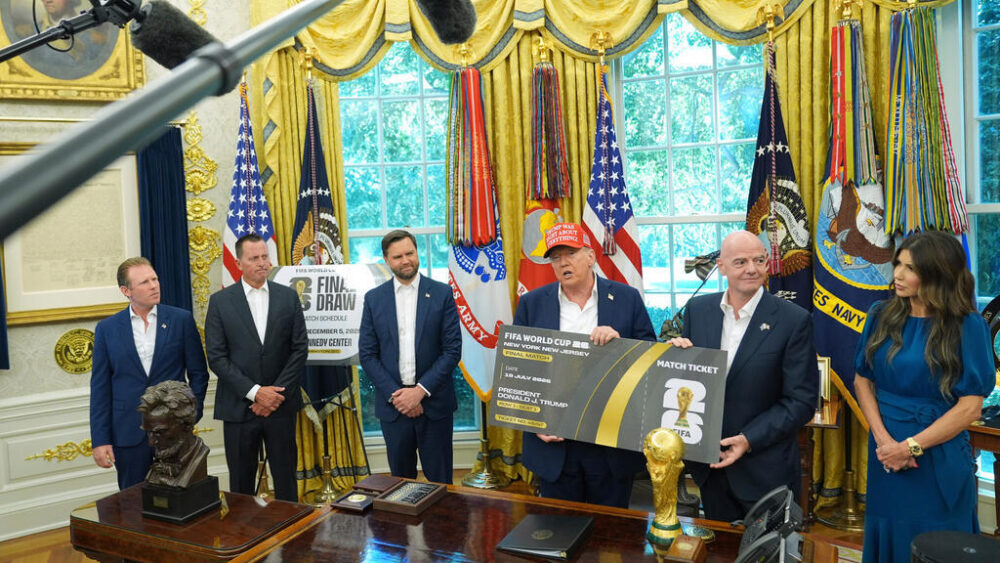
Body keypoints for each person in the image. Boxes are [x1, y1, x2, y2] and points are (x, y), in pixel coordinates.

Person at [853, 230, 994, 563]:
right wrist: (885, 442)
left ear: (938, 273)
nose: (898, 275)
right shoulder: (879, 315)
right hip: (885, 454)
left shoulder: (968, 326)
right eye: (897, 264)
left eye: (911, 268)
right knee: (889, 532)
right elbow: (862, 380)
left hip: (937, 457)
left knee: (939, 544)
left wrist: (909, 447)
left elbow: (971, 407)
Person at [668, 230, 817, 522]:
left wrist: (748, 439)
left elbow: (801, 401)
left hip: (765, 472)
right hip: (709, 470)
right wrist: (675, 358)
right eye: (740, 262)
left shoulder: (794, 320)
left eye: (759, 260)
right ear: (721, 267)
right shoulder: (698, 310)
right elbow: (690, 382)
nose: (752, 269)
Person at [513, 222, 656, 508]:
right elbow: (519, 373)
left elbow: (649, 360)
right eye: (555, 257)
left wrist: (620, 346)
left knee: (611, 539)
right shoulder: (531, 304)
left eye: (571, 253)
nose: (563, 262)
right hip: (555, 445)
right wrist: (535, 422)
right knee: (559, 532)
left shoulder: (626, 298)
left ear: (590, 256)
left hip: (609, 445)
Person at [89, 257, 209, 490]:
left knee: (180, 502)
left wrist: (191, 414)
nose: (154, 285)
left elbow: (199, 373)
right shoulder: (107, 329)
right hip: (128, 432)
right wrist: (101, 440)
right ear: (126, 291)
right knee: (134, 504)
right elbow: (101, 389)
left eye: (155, 279)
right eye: (145, 282)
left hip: (175, 431)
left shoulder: (180, 320)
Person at [205, 233, 308, 501]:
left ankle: (290, 536)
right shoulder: (220, 302)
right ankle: (246, 539)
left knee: (286, 481)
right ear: (238, 263)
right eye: (254, 258)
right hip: (239, 408)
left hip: (281, 406)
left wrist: (273, 395)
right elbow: (216, 357)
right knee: (241, 485)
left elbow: (299, 349)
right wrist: (255, 392)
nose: (262, 263)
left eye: (265, 256)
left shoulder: (288, 297)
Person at [358, 230, 462, 484]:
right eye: (397, 256)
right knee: (399, 485)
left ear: (417, 253)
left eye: (410, 253)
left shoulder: (442, 294)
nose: (405, 260)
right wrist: (398, 395)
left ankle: (440, 527)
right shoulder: (374, 299)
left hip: (434, 405)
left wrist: (419, 392)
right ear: (386, 260)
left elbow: (452, 350)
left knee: (441, 484)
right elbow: (368, 355)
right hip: (394, 408)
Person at [138, 380, 210, 489]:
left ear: (187, 425)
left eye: (159, 433)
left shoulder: (197, 459)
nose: (151, 442)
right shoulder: (158, 465)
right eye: (149, 432)